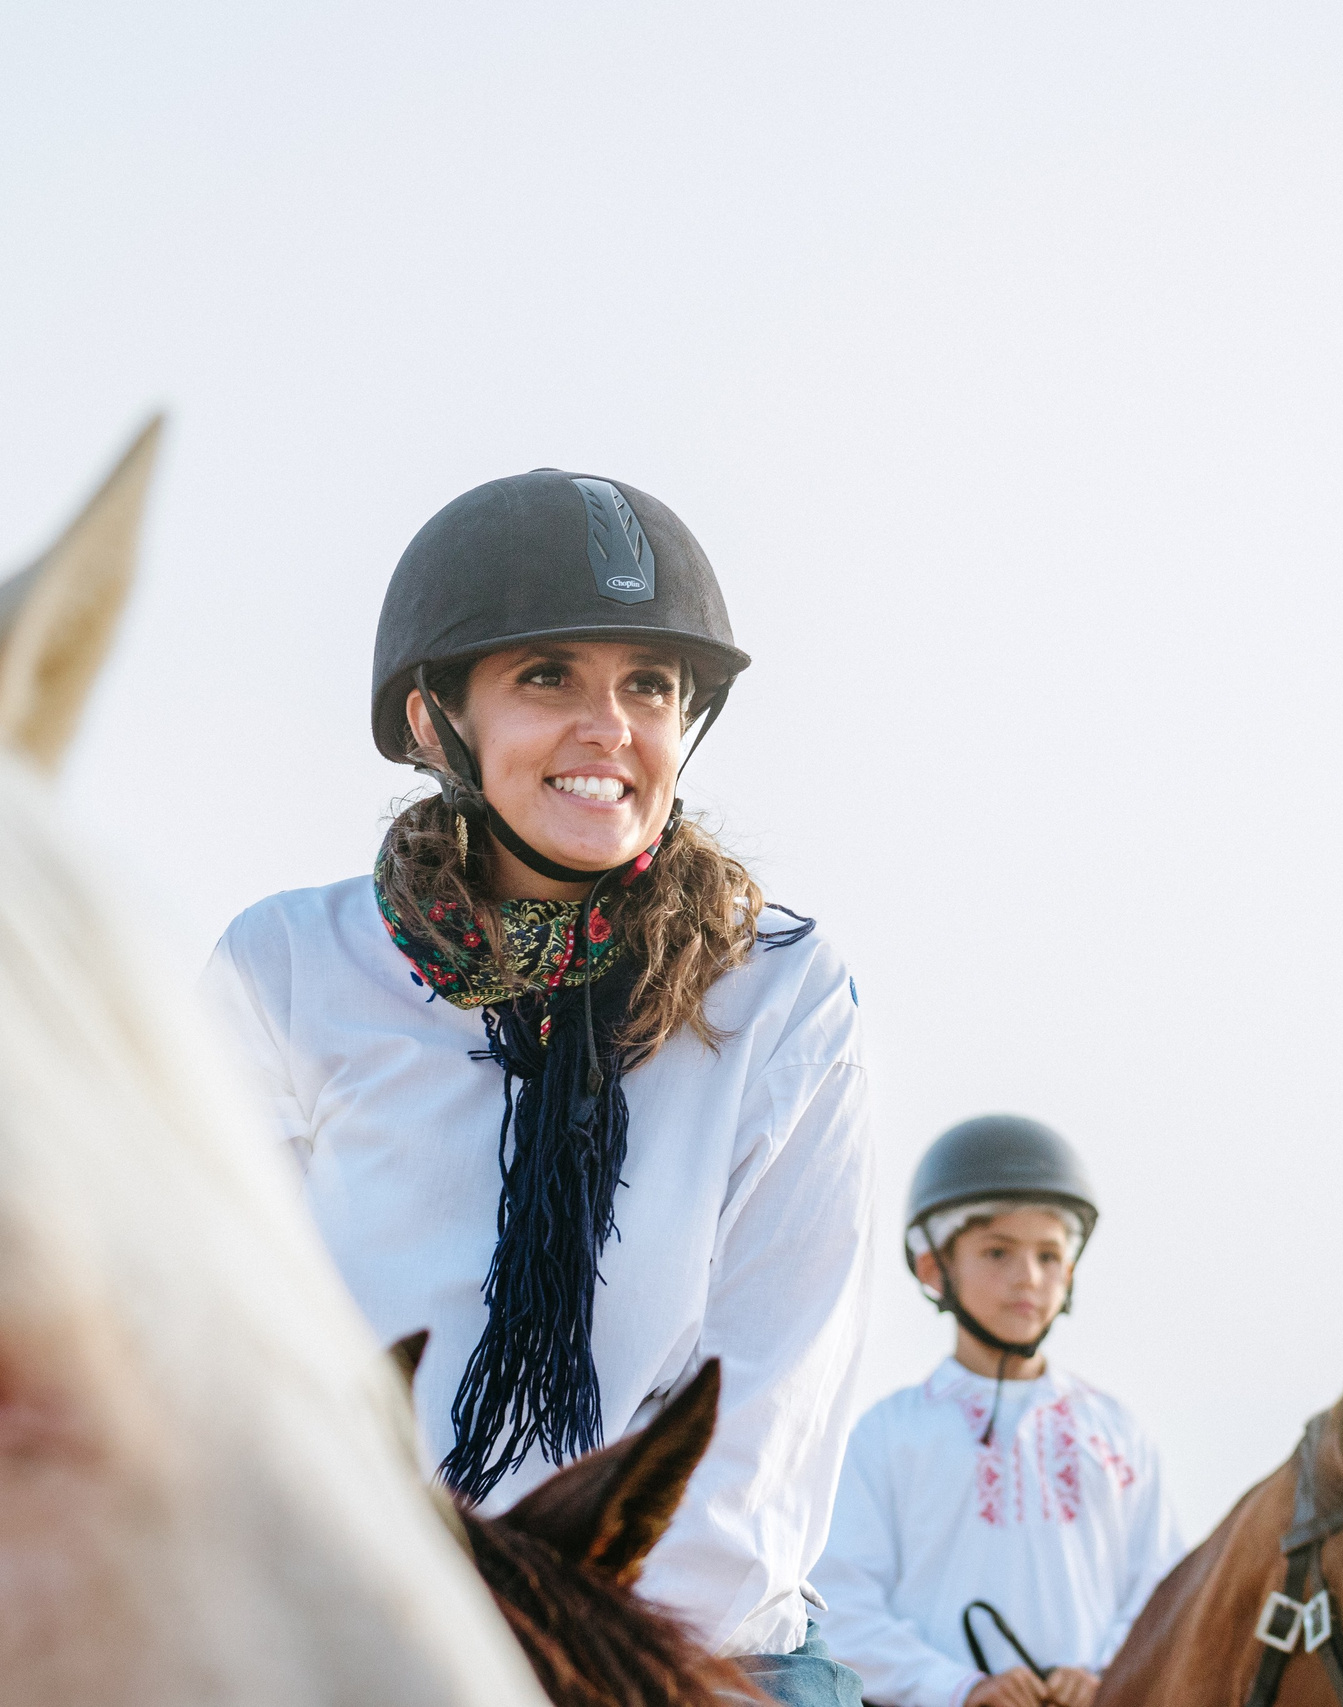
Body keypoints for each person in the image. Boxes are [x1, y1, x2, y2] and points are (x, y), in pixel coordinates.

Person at [204, 470, 876, 1705]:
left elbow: (771, 1388)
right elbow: (222, 1336)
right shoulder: (285, 967)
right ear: (431, 721)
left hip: (681, 1647)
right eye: (546, 676)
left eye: (649, 686)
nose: (608, 726)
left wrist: (555, 1654)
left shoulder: (779, 988)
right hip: (369, 1632)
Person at [814, 1116, 1182, 1707]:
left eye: (1048, 1255)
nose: (1028, 1278)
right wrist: (960, 1688)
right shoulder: (887, 1434)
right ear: (935, 1267)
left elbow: (1165, 1593)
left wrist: (1105, 1674)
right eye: (997, 1251)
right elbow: (843, 1606)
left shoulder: (1117, 1430)